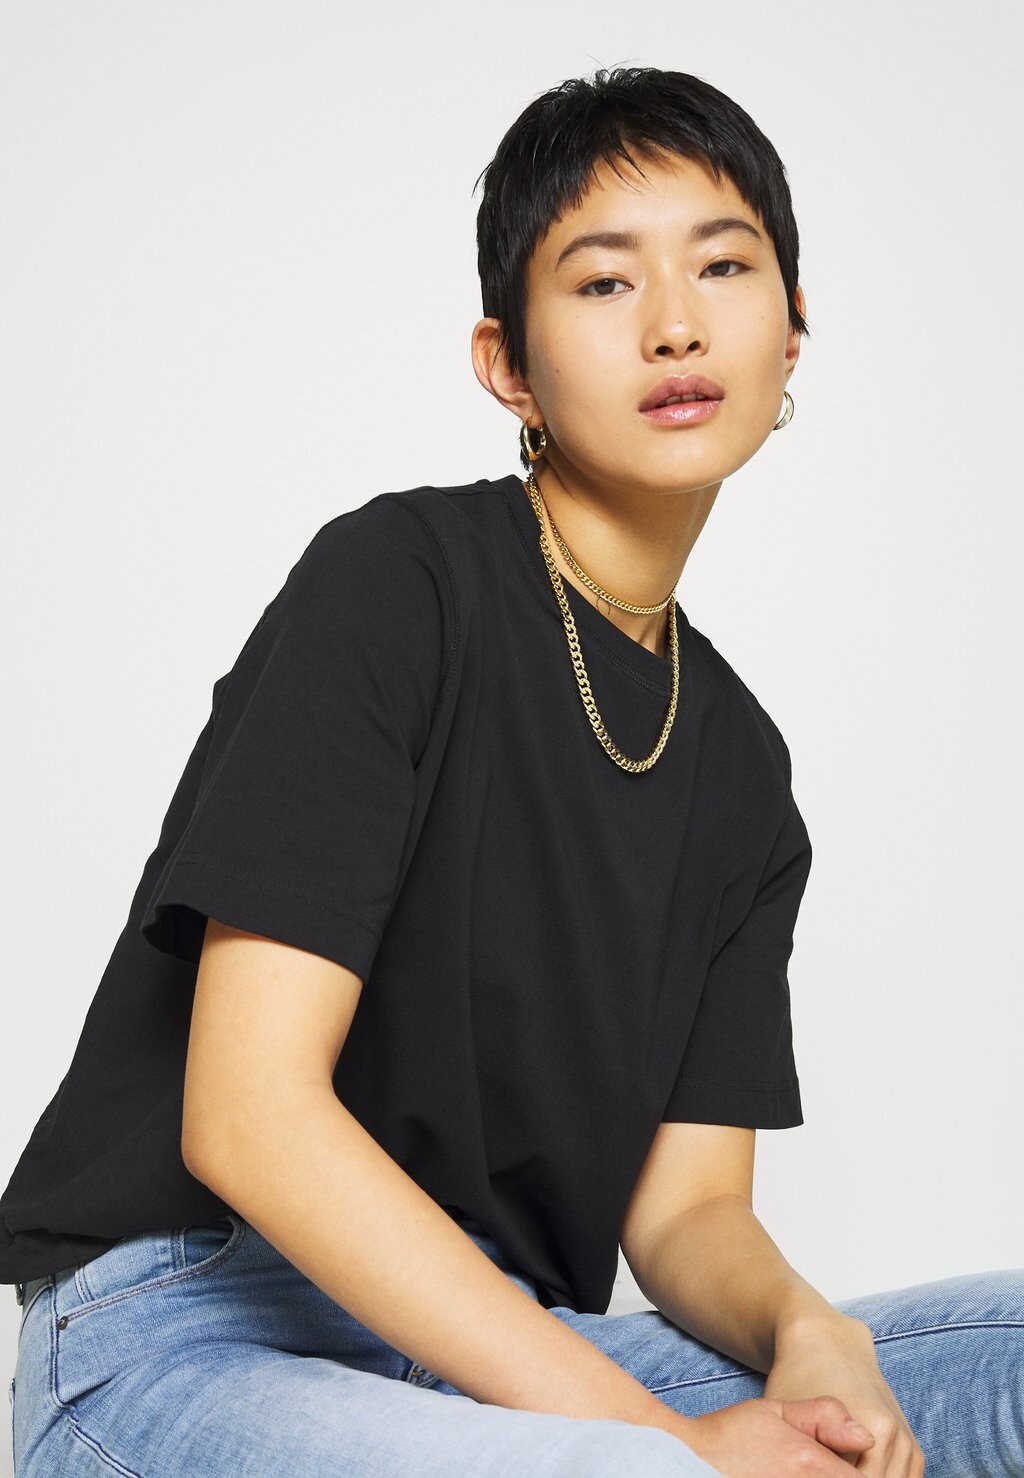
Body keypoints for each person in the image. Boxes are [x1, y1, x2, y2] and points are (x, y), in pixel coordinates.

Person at [3, 64, 1021, 1478]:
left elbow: (686, 1212)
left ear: (793, 331)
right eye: (603, 282)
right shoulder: (398, 582)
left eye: (724, 266)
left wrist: (810, 1328)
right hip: (189, 1330)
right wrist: (670, 1438)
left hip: (506, 1355)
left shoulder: (742, 772)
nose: (675, 322)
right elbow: (249, 1117)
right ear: (509, 365)